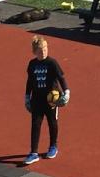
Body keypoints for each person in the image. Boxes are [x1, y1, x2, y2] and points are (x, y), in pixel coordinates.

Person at [24, 36, 70, 165]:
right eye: (40, 50)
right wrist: (27, 96)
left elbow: (61, 78)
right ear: (34, 51)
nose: (43, 51)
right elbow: (30, 82)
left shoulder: (52, 63)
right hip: (37, 99)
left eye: (45, 48)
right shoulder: (32, 64)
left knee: (52, 122)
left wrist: (66, 92)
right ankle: (33, 152)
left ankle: (53, 146)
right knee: (35, 124)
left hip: (51, 99)